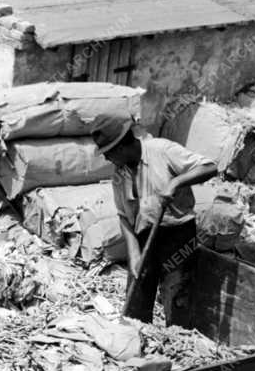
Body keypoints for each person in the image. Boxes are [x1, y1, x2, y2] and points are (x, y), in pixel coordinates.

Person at [91, 115, 218, 326]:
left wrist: (176, 182)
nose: (106, 159)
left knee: (177, 295)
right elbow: (124, 217)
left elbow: (210, 167)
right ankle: (137, 340)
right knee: (136, 299)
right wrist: (134, 254)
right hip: (144, 236)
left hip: (178, 235)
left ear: (122, 147)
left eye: (108, 154)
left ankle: (177, 343)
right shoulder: (119, 175)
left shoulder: (162, 150)